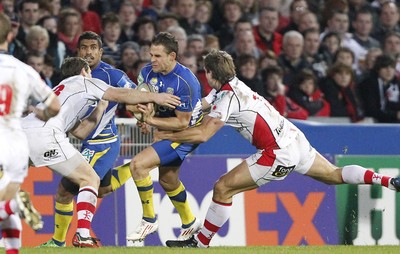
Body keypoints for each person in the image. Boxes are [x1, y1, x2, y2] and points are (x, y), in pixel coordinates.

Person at [147, 49, 400, 248]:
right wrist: (170, 108)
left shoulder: (227, 98)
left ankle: (199, 244)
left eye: (206, 73)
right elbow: (200, 107)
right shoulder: (230, 85)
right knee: (334, 175)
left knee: (222, 188)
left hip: (277, 152)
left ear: (211, 73)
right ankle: (387, 180)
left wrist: (167, 132)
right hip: (294, 138)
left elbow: (203, 134)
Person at [23, 56, 180, 248]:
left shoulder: (60, 90)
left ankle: (67, 238)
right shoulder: (86, 82)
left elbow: (81, 133)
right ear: (83, 71)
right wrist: (156, 97)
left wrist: (101, 107)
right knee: (90, 180)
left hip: (21, 133)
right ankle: (82, 234)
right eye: (88, 70)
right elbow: (121, 94)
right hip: (45, 136)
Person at [38, 31, 137, 247]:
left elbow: (135, 96)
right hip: (85, 141)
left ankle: (60, 241)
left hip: (102, 142)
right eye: (84, 47)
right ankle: (136, 169)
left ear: (101, 51)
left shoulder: (114, 75)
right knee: (101, 188)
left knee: (65, 190)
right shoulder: (74, 75)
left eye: (93, 47)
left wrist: (143, 116)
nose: (88, 51)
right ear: (78, 51)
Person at [125, 32, 203, 243]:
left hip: (187, 134)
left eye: (158, 56)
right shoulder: (147, 72)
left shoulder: (186, 82)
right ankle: (189, 221)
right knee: (168, 179)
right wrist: (141, 115)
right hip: (167, 130)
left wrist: (150, 121)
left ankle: (149, 219)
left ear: (172, 56)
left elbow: (182, 122)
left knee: (138, 165)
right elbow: (133, 101)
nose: (152, 60)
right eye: (151, 54)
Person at [0, 12, 60, 254]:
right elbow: (54, 105)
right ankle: (12, 210)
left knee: (6, 203)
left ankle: (13, 207)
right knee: (6, 196)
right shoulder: (24, 69)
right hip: (15, 140)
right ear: (11, 35)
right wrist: (43, 115)